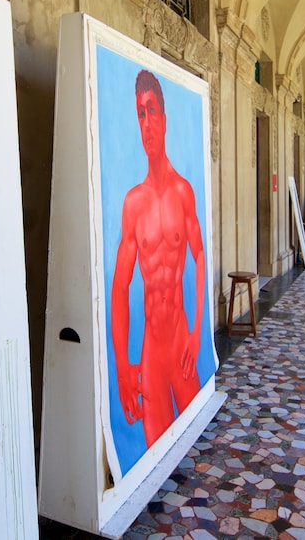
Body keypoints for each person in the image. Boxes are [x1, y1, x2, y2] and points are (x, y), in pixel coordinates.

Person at [112, 69, 206, 446]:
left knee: (192, 442)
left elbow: (199, 257)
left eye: (152, 110)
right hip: (151, 350)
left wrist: (198, 332)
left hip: (181, 342)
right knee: (156, 456)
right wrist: (122, 367)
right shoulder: (133, 204)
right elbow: (120, 288)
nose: (147, 122)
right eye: (140, 113)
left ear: (165, 121)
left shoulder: (184, 192)